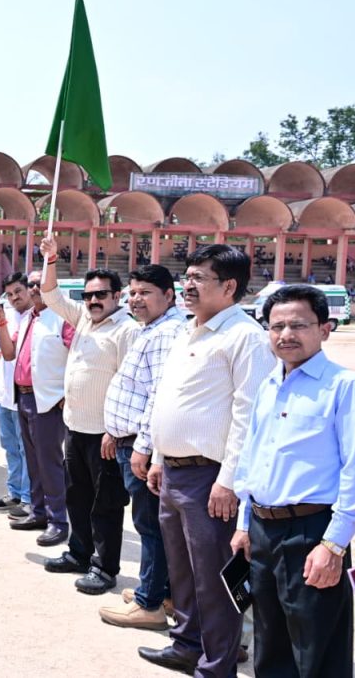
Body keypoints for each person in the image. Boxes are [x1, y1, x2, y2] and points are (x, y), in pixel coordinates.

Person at [139, 245, 276, 676]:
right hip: (174, 472)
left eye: (199, 278)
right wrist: (159, 456)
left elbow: (248, 415)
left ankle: (218, 664)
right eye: (188, 276)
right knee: (182, 571)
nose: (188, 285)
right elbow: (169, 399)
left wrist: (228, 481)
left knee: (216, 578)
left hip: (211, 477)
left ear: (229, 286)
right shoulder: (189, 331)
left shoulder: (245, 338)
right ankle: (186, 644)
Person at [231, 284, 355, 676]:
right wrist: (244, 524)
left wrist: (334, 545)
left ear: (325, 329)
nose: (286, 335)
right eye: (276, 326)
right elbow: (252, 457)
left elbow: (354, 470)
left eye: (298, 325)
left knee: (317, 646)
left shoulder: (343, 386)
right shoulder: (269, 385)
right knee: (270, 642)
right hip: (263, 530)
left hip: (312, 532)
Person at [37, 237, 139, 594]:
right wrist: (51, 259)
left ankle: (105, 568)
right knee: (76, 496)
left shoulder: (127, 330)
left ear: (117, 296)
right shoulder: (83, 318)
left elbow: (130, 385)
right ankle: (79, 554)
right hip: (76, 428)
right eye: (88, 295)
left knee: (105, 504)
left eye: (101, 295)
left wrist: (116, 431)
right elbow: (50, 295)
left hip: (106, 435)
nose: (94, 301)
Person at [97, 265, 186, 630]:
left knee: (150, 526)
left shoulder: (166, 333)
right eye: (133, 292)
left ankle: (149, 604)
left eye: (145, 292)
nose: (136, 299)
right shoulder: (153, 328)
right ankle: (161, 592)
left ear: (169, 295)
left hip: (141, 445)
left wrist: (143, 447)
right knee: (152, 524)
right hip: (130, 440)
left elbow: (158, 395)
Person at [2, 270, 74, 547]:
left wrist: (67, 394)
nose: (34, 289)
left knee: (49, 462)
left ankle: (58, 521)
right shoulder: (28, 318)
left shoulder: (63, 318)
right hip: (23, 397)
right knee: (33, 461)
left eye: (39, 284)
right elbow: (9, 353)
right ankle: (39, 512)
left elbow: (78, 357)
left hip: (47, 401)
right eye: (30, 284)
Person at [0, 274, 31, 510]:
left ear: (29, 290)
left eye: (18, 291)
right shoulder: (6, 314)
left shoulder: (38, 317)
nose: (14, 298)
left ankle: (28, 498)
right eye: (10, 294)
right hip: (3, 393)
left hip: (26, 395)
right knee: (10, 448)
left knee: (27, 449)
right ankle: (14, 492)